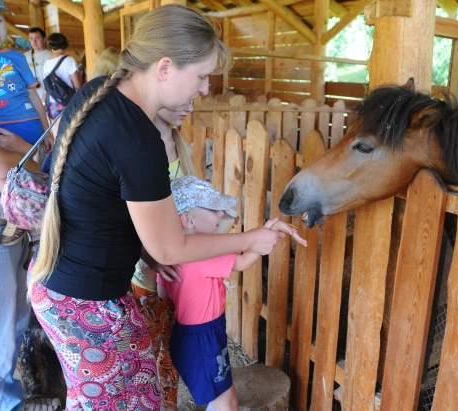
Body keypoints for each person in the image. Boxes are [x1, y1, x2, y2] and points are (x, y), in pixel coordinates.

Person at [28, 5, 289, 410]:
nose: (204, 89)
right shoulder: (138, 139)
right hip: (88, 300)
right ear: (165, 67)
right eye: (201, 76)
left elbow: (96, 199)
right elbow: (172, 249)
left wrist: (147, 248)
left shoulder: (99, 94)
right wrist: (251, 239)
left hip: (63, 283)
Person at [157, 176, 306, 411]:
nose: (221, 215)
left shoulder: (170, 255)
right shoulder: (203, 253)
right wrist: (269, 232)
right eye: (214, 210)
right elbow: (245, 261)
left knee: (224, 398)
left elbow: (162, 294)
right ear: (188, 220)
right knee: (227, 403)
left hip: (188, 335)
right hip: (205, 339)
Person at [130, 108, 196, 411]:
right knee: (142, 357)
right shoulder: (136, 147)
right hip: (141, 279)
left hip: (178, 276)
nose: (191, 107)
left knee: (172, 354)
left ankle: (168, 406)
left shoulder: (183, 148)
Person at [0, 113, 45, 410]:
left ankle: (6, 403)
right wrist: (22, 152)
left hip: (1, 230)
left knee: (10, 329)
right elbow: (9, 168)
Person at [0, 0, 52, 246]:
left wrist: (46, 130)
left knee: (21, 173)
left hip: (26, 124)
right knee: (2, 173)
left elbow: (34, 95)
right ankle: (26, 222)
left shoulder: (17, 57)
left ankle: (31, 226)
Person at [42, 32, 81, 121]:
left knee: (56, 133)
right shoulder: (69, 60)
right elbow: (77, 85)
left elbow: (46, 87)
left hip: (51, 103)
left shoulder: (47, 63)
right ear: (65, 44)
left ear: (50, 46)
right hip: (67, 101)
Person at [24, 27, 52, 102]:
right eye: (31, 38)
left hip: (49, 98)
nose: (34, 42)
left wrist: (45, 97)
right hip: (30, 98)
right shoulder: (24, 57)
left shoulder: (51, 56)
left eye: (37, 38)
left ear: (44, 39)